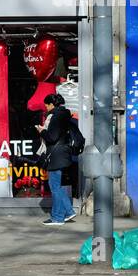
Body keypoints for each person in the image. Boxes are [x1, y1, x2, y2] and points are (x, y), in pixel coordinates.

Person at [37, 93, 77, 226]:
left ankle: (58, 217)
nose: (46, 108)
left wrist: (41, 131)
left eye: (46, 105)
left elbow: (51, 137)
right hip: (62, 154)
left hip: (56, 156)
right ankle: (69, 211)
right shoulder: (64, 114)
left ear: (52, 104)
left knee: (54, 187)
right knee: (57, 186)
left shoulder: (55, 117)